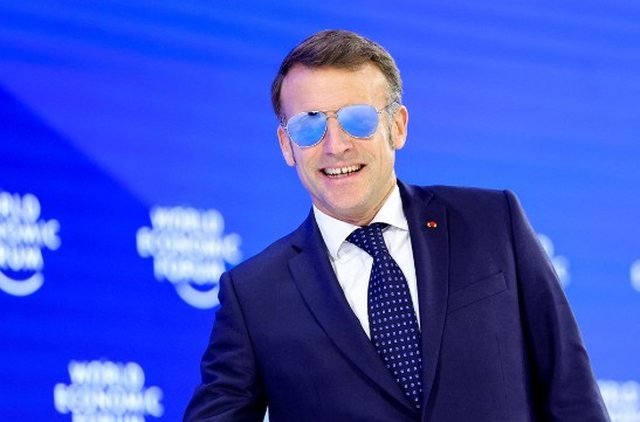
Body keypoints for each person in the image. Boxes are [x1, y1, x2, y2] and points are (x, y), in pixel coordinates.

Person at [184, 29, 609, 421]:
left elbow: (572, 395)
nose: (336, 145)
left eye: (357, 119)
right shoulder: (253, 295)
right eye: (309, 125)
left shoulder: (493, 222)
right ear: (286, 145)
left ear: (398, 126)